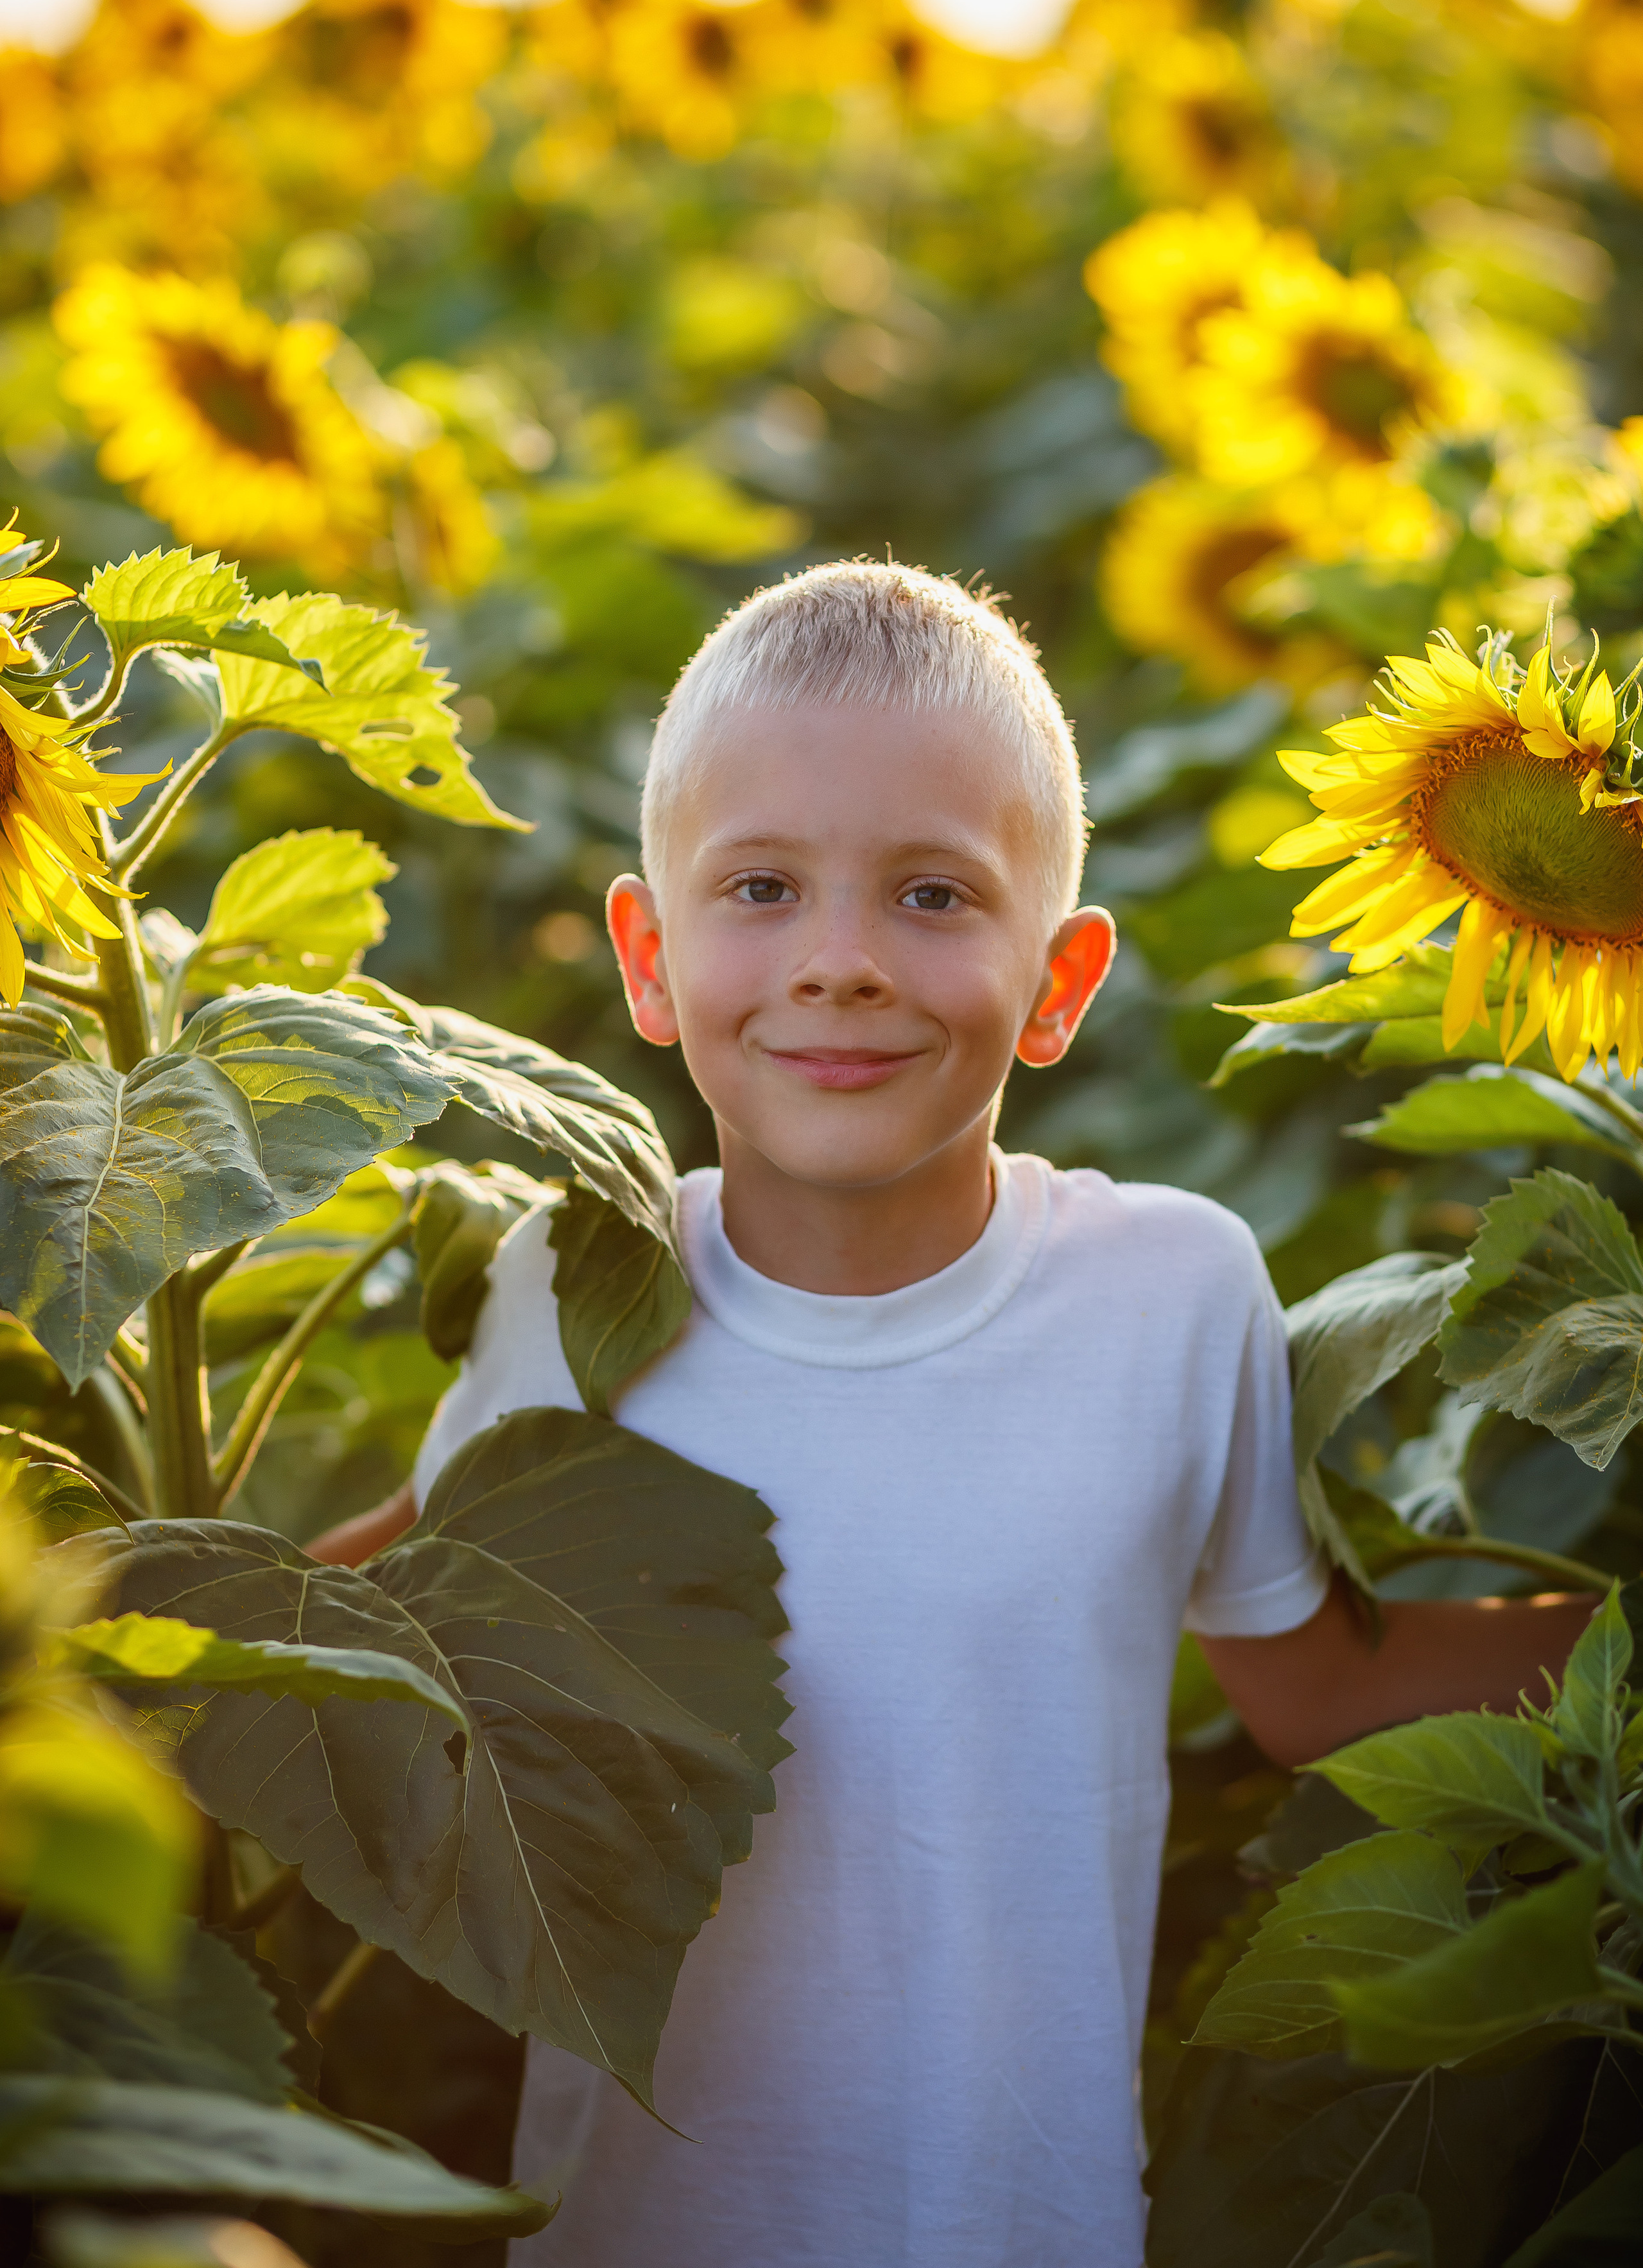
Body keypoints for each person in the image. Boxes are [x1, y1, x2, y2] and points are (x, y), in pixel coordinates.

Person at [313, 561, 1594, 2268]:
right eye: (761, 887)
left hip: (1017, 2227)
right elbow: (379, 1624)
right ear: (649, 956)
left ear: (1060, 981)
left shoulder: (1170, 1293)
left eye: (932, 895)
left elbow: (1315, 1684)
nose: (840, 964)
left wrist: (1609, 1636)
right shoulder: (575, 1283)